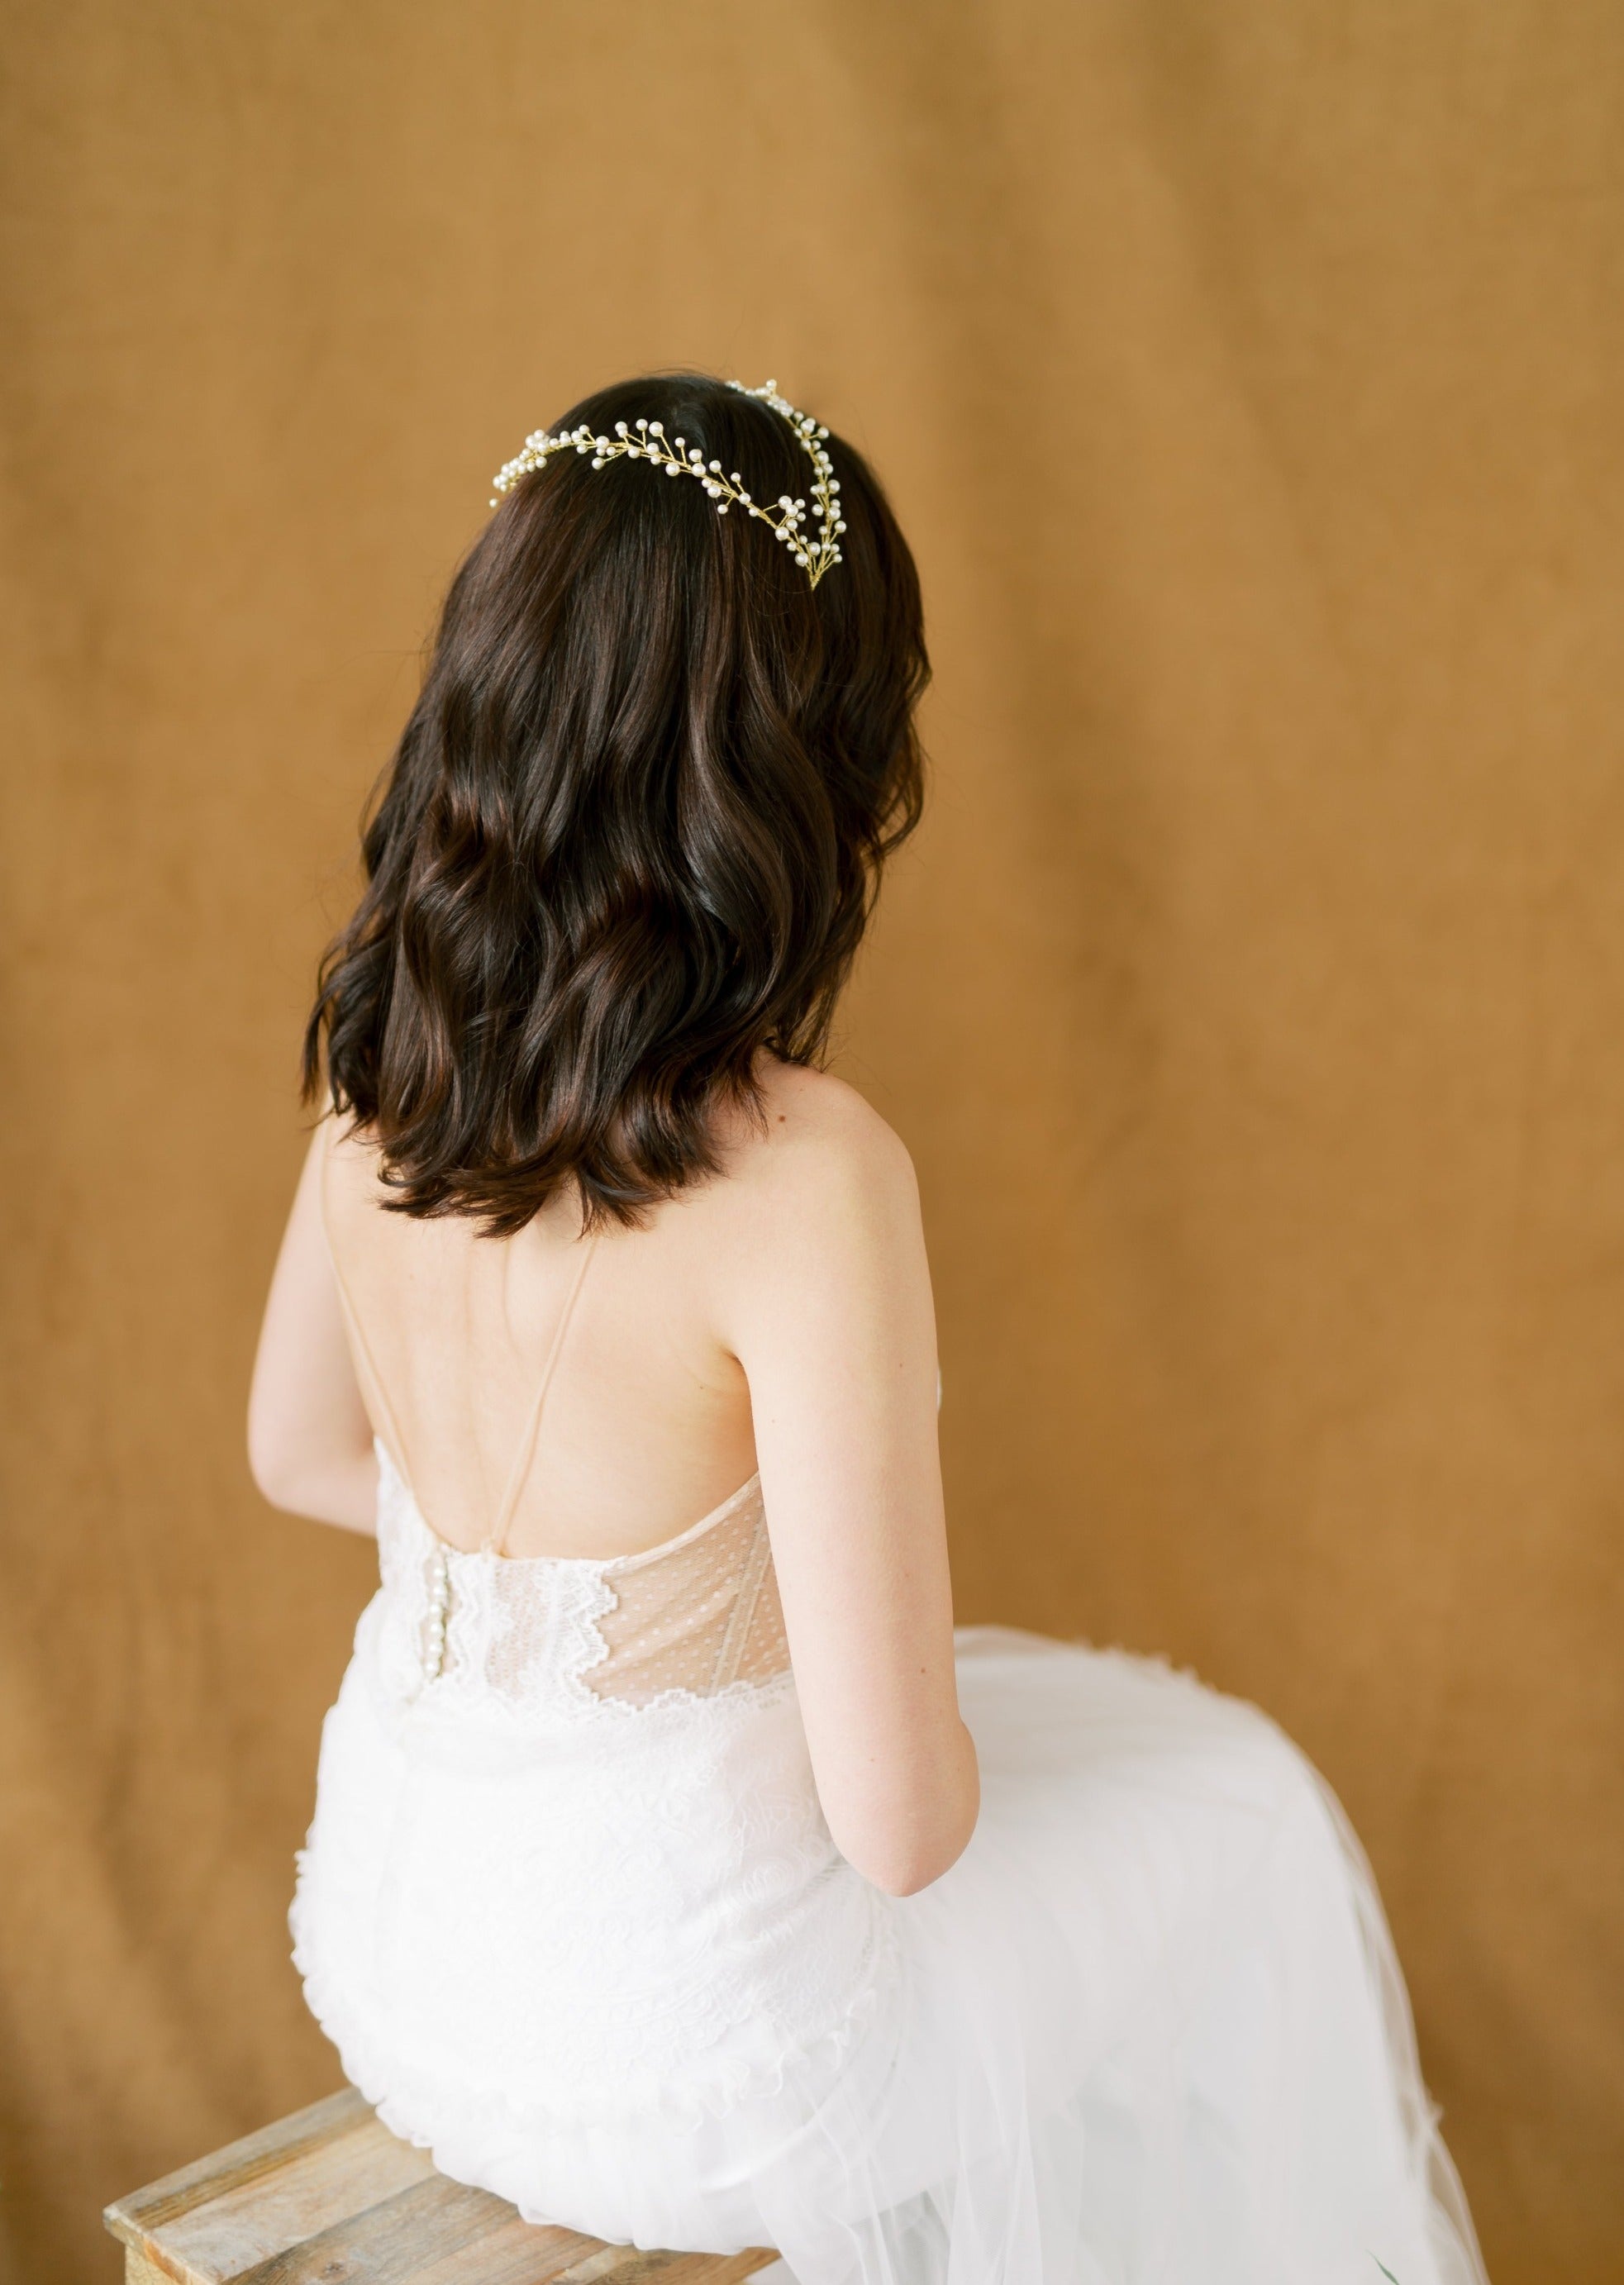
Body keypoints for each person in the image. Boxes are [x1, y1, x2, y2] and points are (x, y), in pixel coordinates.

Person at [247, 372, 1488, 2285]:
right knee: (1245, 1810)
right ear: (792, 765)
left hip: (395, 1963)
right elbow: (903, 1831)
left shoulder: (378, 1060)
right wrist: (740, 1630)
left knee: (1136, 1771)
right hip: (697, 2074)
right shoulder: (803, 1173)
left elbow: (297, 1454)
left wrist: (599, 1623)